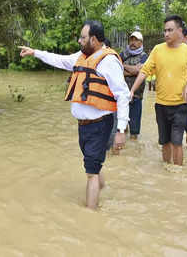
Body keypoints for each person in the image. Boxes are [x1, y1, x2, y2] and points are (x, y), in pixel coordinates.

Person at [19, 20, 130, 210]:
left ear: (93, 39)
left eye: (83, 37)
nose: (79, 40)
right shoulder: (82, 56)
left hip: (100, 124)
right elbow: (60, 60)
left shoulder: (109, 61)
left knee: (91, 173)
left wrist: (120, 130)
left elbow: (122, 95)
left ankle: (90, 213)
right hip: (84, 125)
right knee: (91, 165)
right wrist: (35, 52)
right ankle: (100, 184)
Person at [130, 15, 187, 166]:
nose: (166, 34)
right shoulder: (157, 50)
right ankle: (167, 169)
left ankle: (178, 173)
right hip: (161, 105)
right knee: (165, 141)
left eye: (170, 30)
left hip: (180, 105)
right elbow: (144, 71)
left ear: (179, 31)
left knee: (177, 142)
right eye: (165, 30)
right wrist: (132, 90)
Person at [120, 31, 148, 140]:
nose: (133, 42)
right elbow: (116, 70)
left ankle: (134, 149)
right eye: (131, 39)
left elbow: (139, 71)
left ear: (141, 43)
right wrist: (133, 70)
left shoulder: (144, 56)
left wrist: (123, 66)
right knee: (121, 128)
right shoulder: (123, 54)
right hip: (122, 96)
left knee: (134, 132)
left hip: (136, 96)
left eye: (136, 40)